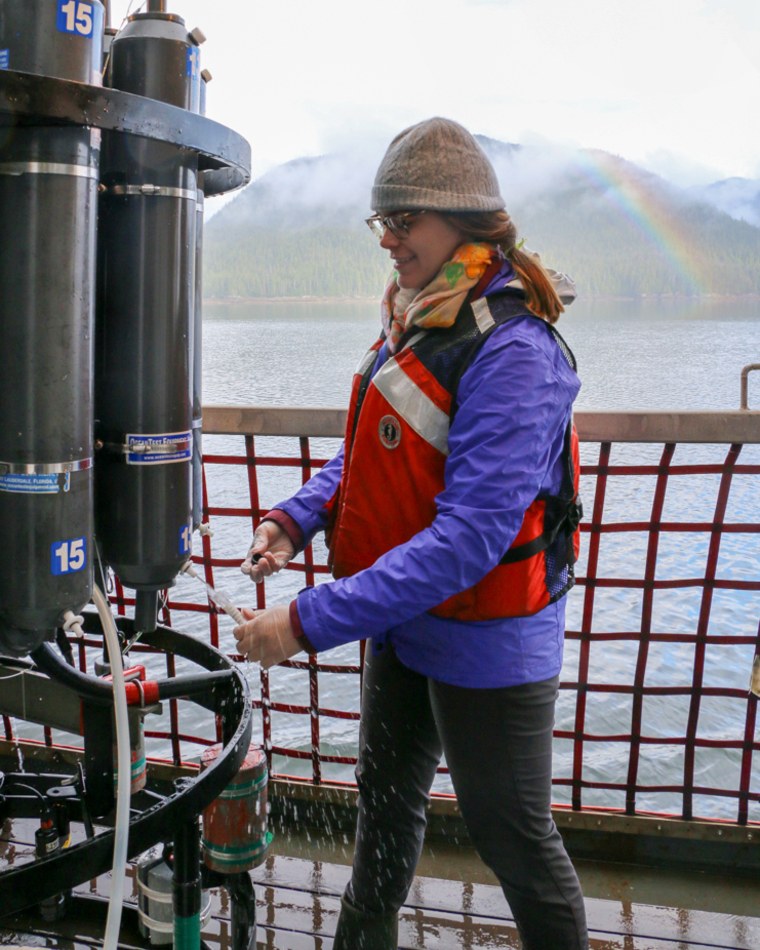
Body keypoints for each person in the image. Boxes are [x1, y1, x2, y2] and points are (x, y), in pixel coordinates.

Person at [234, 116, 588, 950]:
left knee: (514, 839)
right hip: (401, 620)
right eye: (380, 222)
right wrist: (295, 519)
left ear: (463, 221)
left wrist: (304, 620)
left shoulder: (514, 350)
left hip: (488, 640)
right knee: (384, 807)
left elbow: (470, 539)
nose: (387, 240)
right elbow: (372, 460)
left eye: (403, 222)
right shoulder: (419, 313)